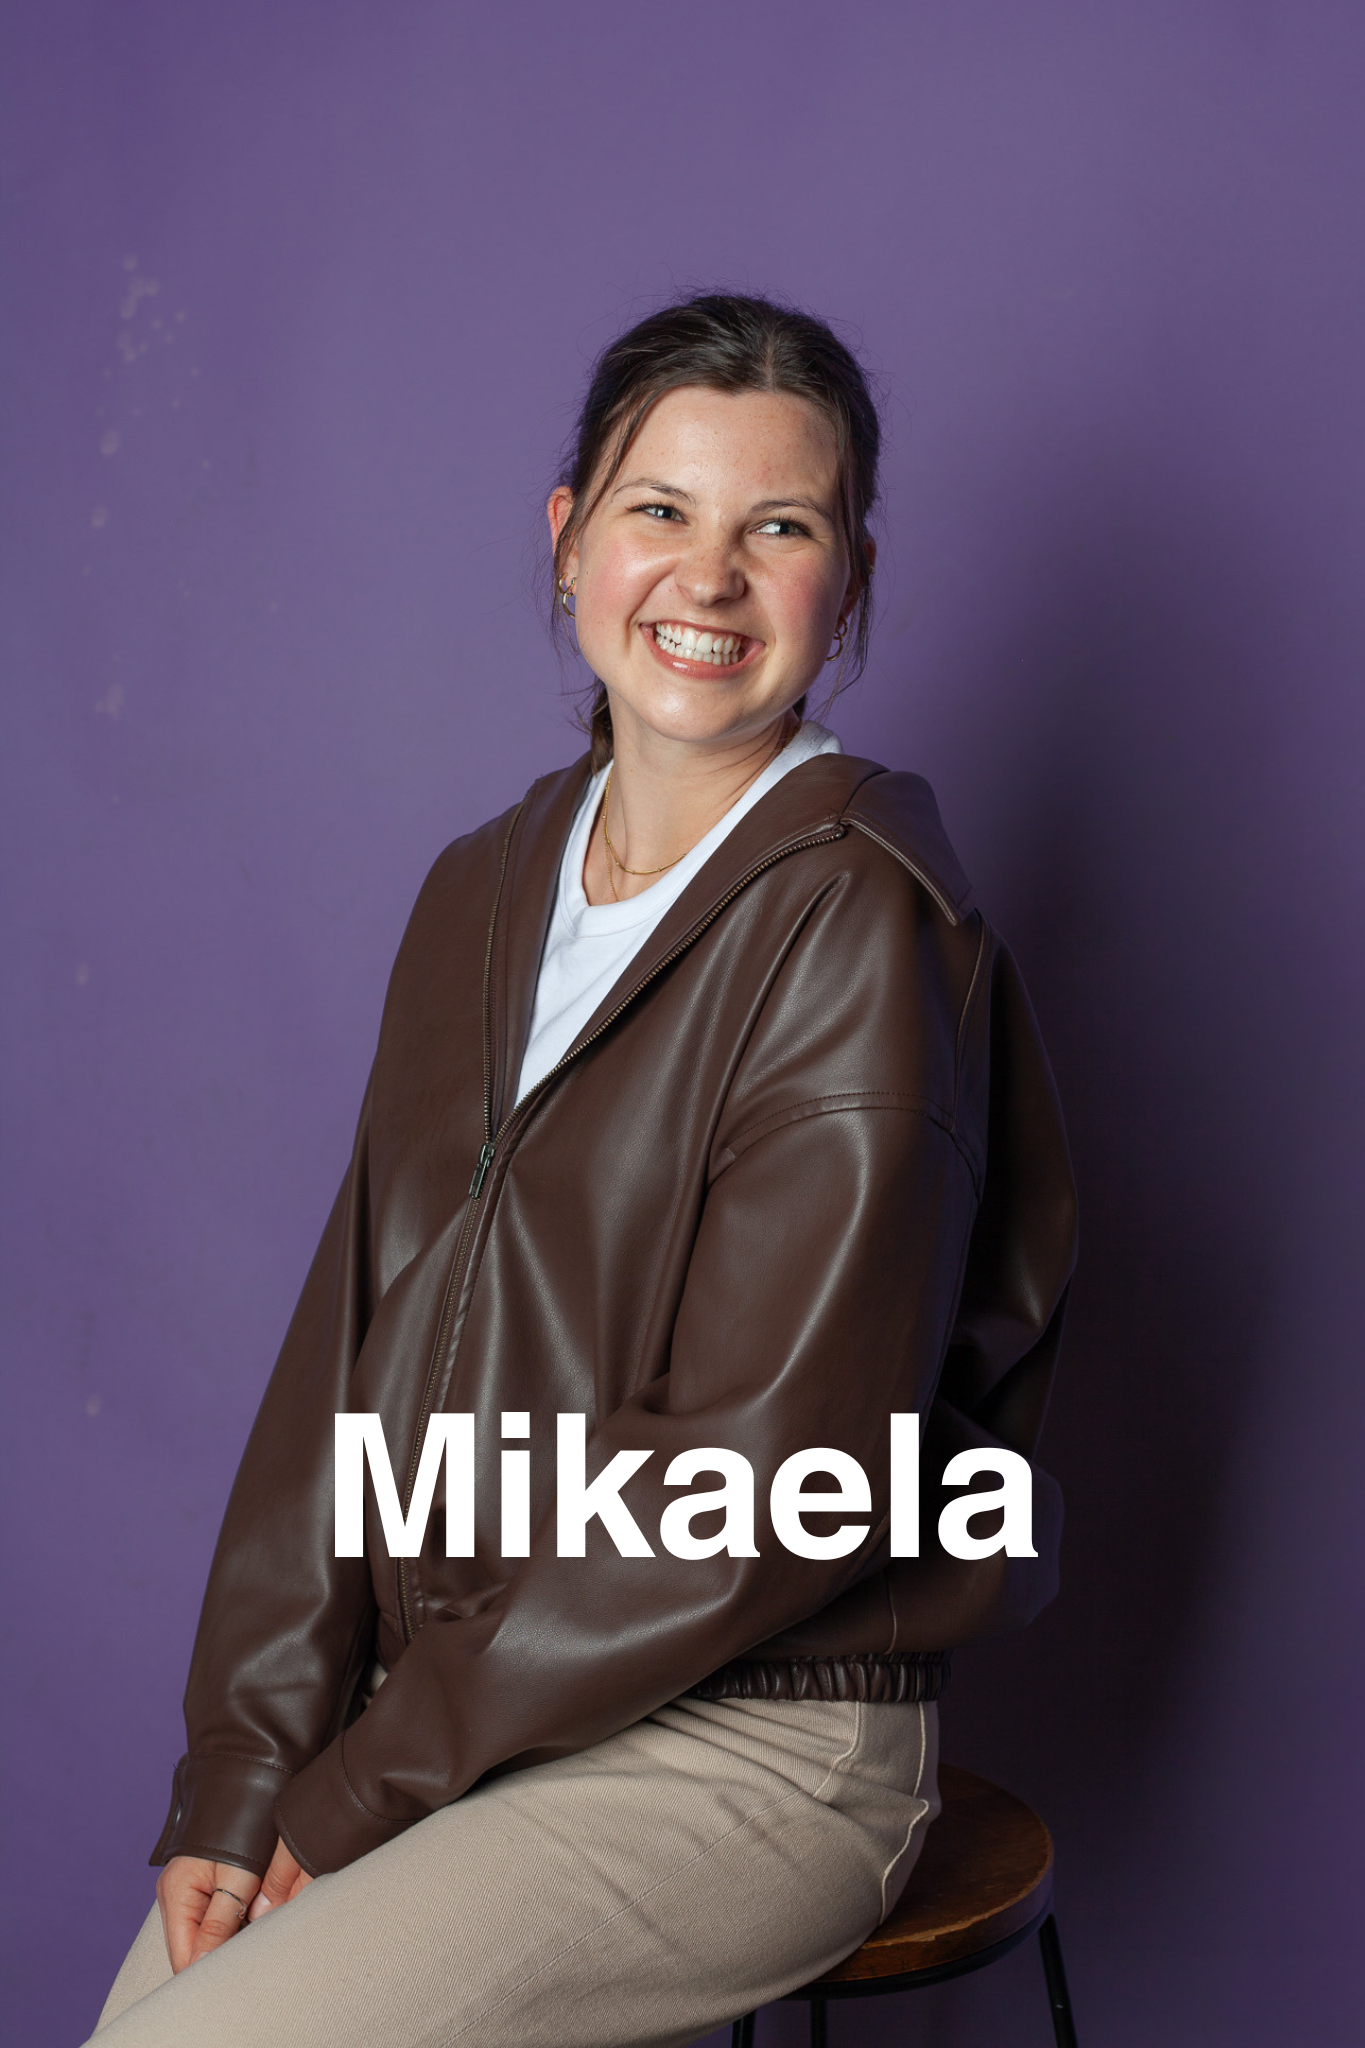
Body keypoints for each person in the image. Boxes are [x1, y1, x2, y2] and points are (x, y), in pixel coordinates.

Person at [88, 293, 1077, 2048]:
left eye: (781, 528)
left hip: (751, 1738)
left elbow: (759, 1485)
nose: (710, 577)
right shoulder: (480, 888)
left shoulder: (863, 922)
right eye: (659, 510)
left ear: (848, 581)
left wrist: (369, 1779)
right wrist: (244, 1769)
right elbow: (345, 1361)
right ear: (568, 542)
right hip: (460, 1708)